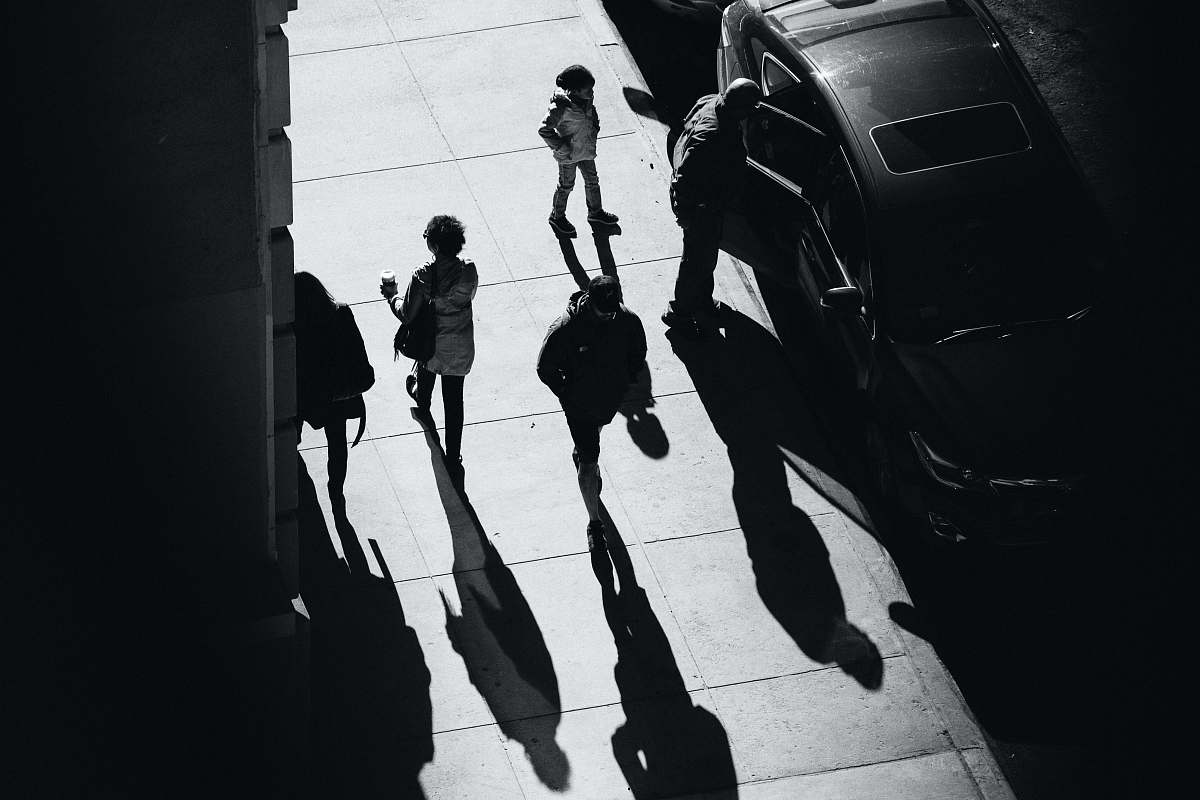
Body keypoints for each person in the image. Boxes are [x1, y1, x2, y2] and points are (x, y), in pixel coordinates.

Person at [537, 275, 647, 551]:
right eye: (603, 311)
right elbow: (544, 367)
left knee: (592, 440)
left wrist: (624, 379)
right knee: (589, 463)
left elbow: (638, 353)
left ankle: (583, 452)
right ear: (590, 302)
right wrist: (568, 393)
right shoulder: (566, 327)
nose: (610, 316)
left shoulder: (626, 320)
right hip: (580, 406)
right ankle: (595, 523)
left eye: (613, 310)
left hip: (608, 401)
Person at [662, 78, 762, 333]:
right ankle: (681, 312)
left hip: (706, 203)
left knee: (705, 257)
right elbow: (686, 175)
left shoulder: (709, 100)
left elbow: (680, 132)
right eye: (750, 108)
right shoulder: (714, 135)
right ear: (740, 109)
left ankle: (702, 302)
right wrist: (685, 212)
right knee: (695, 260)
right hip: (700, 207)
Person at [383, 215, 478, 473]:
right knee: (454, 401)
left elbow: (407, 314)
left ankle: (422, 403)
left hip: (433, 341)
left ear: (435, 246)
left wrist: (392, 297)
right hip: (461, 344)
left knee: (426, 367)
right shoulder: (469, 270)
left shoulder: (424, 275)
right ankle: (453, 456)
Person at [294, 270, 371, 516]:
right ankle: (336, 491)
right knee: (337, 443)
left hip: (309, 395)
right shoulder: (341, 312)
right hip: (336, 394)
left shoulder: (297, 325)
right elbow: (359, 352)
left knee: (293, 431)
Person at [539, 64, 620, 239]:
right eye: (587, 90)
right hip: (568, 156)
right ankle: (557, 216)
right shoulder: (560, 106)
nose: (591, 93)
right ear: (575, 90)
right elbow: (544, 129)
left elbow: (592, 113)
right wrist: (562, 147)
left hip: (586, 149)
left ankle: (595, 212)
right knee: (566, 186)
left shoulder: (586, 100)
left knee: (593, 180)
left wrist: (595, 127)